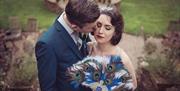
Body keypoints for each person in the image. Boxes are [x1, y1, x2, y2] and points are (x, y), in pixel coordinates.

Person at [35, 0, 100, 91]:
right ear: (74, 27)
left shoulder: (79, 19)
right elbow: (48, 88)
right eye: (91, 28)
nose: (95, 30)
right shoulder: (47, 45)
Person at [88, 5, 137, 90]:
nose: (100, 31)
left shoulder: (122, 59)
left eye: (107, 28)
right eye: (98, 25)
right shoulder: (88, 48)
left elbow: (133, 86)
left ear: (115, 32)